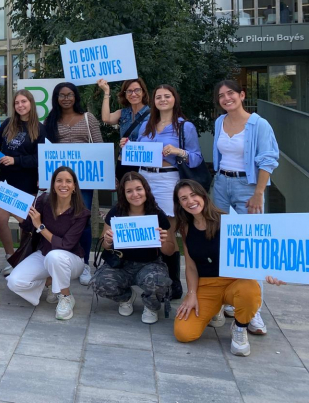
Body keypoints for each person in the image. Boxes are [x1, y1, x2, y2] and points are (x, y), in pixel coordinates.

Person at [173, 179, 285, 356]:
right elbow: (191, 266)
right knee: (184, 333)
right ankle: (215, 308)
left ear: (203, 195)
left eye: (193, 195)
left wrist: (270, 272)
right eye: (183, 198)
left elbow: (252, 253)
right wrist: (191, 294)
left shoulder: (227, 221)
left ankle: (240, 327)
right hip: (207, 285)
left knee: (251, 291)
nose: (190, 201)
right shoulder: (185, 227)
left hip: (234, 281)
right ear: (179, 203)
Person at [211, 79, 279, 334]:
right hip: (221, 183)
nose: (226, 98)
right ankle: (228, 300)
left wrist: (259, 193)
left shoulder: (258, 124)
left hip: (248, 186)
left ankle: (254, 312)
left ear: (242, 95)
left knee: (251, 245)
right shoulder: (219, 122)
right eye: (221, 96)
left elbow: (268, 159)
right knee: (221, 240)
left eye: (231, 93)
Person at [125, 84, 203, 299]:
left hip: (168, 180)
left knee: (166, 233)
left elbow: (196, 158)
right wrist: (127, 146)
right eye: (158, 97)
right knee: (147, 230)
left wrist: (179, 151)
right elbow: (136, 150)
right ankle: (153, 279)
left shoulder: (185, 126)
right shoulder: (146, 125)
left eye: (167, 96)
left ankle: (173, 284)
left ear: (174, 99)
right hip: (145, 179)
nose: (162, 100)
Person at [6, 166, 90, 320]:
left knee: (55, 256)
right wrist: (12, 210)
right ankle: (51, 283)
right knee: (14, 282)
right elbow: (29, 225)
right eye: (59, 181)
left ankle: (65, 296)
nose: (63, 185)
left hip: (72, 260)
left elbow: (65, 245)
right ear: (53, 185)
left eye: (68, 181)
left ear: (74, 187)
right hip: (44, 254)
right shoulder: (43, 201)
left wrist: (41, 226)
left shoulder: (82, 213)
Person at [92, 172, 173, 324]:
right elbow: (105, 245)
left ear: (145, 190)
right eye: (129, 191)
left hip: (149, 263)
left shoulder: (157, 214)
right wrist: (108, 240)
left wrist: (164, 241)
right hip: (122, 263)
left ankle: (151, 306)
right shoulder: (116, 212)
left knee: (159, 282)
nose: (135, 194)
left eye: (139, 189)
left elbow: (169, 251)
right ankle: (127, 297)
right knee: (99, 282)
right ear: (123, 193)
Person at [43, 82, 102, 285]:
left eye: (69, 95)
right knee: (58, 220)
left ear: (76, 97)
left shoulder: (88, 119)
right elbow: (45, 150)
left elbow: (99, 147)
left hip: (83, 181)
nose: (66, 98)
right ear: (56, 98)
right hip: (59, 182)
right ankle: (59, 260)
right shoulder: (50, 121)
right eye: (61, 95)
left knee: (82, 220)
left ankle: (84, 263)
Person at [0, 89, 46, 273]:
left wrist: (17, 160)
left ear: (31, 103)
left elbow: (40, 158)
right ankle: (9, 256)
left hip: (27, 183)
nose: (20, 105)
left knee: (25, 224)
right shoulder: (7, 124)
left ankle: (22, 258)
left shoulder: (39, 128)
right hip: (7, 183)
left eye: (24, 101)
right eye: (17, 103)